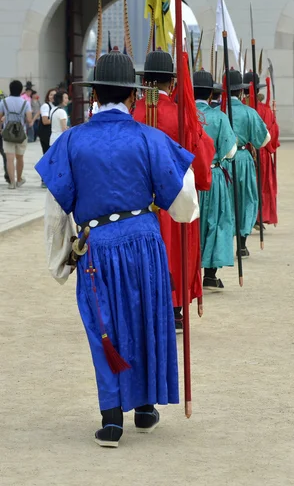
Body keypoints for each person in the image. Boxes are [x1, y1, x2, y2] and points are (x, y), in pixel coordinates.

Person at [35, 48, 199, 447]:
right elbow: (185, 204)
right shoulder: (152, 138)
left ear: (94, 96)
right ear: (131, 96)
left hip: (97, 246)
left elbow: (55, 209)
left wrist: (61, 260)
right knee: (148, 319)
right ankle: (145, 410)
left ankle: (111, 420)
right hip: (144, 241)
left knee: (103, 327)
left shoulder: (71, 141)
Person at [134, 50, 215, 331]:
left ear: (145, 80)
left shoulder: (134, 112)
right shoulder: (181, 115)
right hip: (175, 198)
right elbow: (200, 154)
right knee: (176, 248)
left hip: (139, 199)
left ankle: (145, 307)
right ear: (171, 82)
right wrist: (202, 180)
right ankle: (176, 307)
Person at [193, 69, 236, 290]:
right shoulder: (219, 116)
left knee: (192, 224)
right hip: (213, 175)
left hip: (189, 178)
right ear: (211, 94)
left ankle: (191, 272)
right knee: (216, 222)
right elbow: (230, 152)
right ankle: (210, 274)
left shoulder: (185, 114)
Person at [222, 69, 270, 257]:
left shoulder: (220, 111)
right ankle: (242, 243)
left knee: (226, 200)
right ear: (241, 92)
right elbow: (264, 139)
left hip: (223, 161)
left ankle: (226, 240)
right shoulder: (249, 112)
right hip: (243, 158)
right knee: (247, 198)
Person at [243, 72, 280, 228]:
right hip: (261, 152)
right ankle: (258, 216)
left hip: (243, 152)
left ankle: (247, 217)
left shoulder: (239, 108)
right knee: (260, 185)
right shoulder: (264, 110)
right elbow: (272, 134)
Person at [0, 80, 32, 189]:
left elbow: (0, 117)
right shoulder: (25, 103)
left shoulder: (3, 102)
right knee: (20, 158)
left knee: (9, 158)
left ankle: (12, 183)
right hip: (21, 134)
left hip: (8, 133)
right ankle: (19, 180)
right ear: (21, 90)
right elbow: (29, 119)